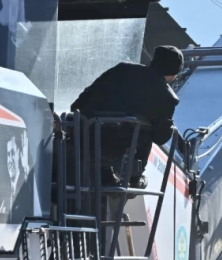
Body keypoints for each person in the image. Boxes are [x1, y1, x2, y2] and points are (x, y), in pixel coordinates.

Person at [70, 45, 184, 187]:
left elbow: (78, 104)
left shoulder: (122, 69)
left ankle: (106, 174)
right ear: (174, 74)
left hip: (83, 138)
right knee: (146, 130)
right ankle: (133, 178)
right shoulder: (168, 97)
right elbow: (161, 138)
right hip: (120, 149)